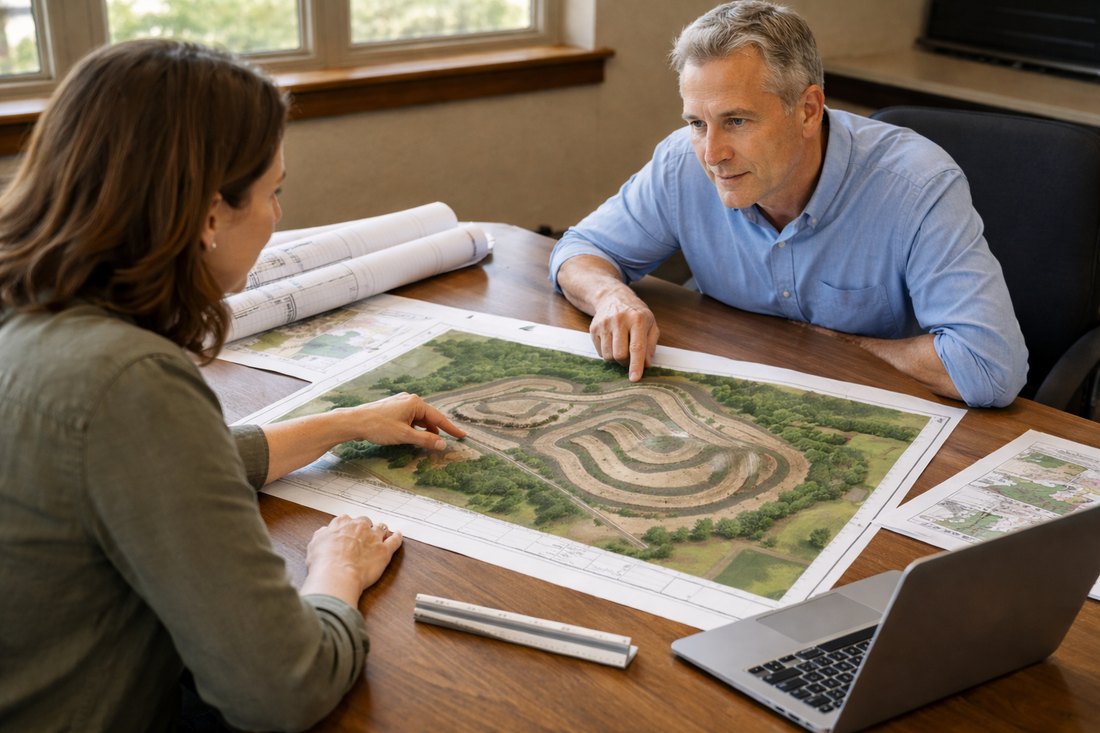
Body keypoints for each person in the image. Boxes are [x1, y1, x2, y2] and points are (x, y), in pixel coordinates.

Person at [0, 40, 465, 733]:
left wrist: (343, 422)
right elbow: (282, 688)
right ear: (211, 215)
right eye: (274, 191)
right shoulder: (130, 382)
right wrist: (336, 571)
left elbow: (148, 467)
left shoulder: (33, 313)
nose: (278, 215)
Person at [550, 0, 1028, 409]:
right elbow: (578, 251)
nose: (712, 154)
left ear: (807, 111)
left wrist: (836, 347)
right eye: (698, 122)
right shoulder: (681, 161)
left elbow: (988, 367)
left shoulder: (917, 185)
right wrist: (612, 296)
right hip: (729, 396)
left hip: (873, 408)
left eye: (736, 120)